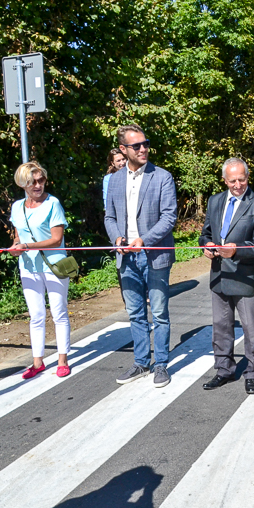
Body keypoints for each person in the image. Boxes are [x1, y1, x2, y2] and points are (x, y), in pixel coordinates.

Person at [104, 124, 177, 388]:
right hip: (126, 257)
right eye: (137, 146)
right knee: (135, 312)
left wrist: (143, 240)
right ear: (123, 149)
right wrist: (117, 239)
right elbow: (109, 216)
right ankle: (141, 362)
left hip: (154, 254)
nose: (144, 149)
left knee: (159, 312)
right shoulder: (114, 180)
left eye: (145, 143)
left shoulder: (162, 177)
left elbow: (169, 217)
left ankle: (161, 365)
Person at [199, 158, 254, 395]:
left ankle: (253, 372)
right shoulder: (215, 201)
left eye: (242, 179)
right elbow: (206, 233)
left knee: (251, 328)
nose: (238, 185)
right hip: (219, 275)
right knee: (221, 326)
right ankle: (223, 370)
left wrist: (237, 250)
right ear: (224, 180)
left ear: (248, 177)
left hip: (245, 276)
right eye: (233, 180)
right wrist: (206, 245)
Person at [7, 162, 71, 379]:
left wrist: (26, 246)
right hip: (28, 266)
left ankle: (62, 360)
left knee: (59, 312)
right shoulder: (17, 207)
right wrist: (16, 247)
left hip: (54, 264)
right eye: (32, 181)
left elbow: (56, 239)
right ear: (22, 183)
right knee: (36, 315)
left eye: (41, 180)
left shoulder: (53, 203)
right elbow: (18, 235)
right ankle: (37, 362)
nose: (38, 185)